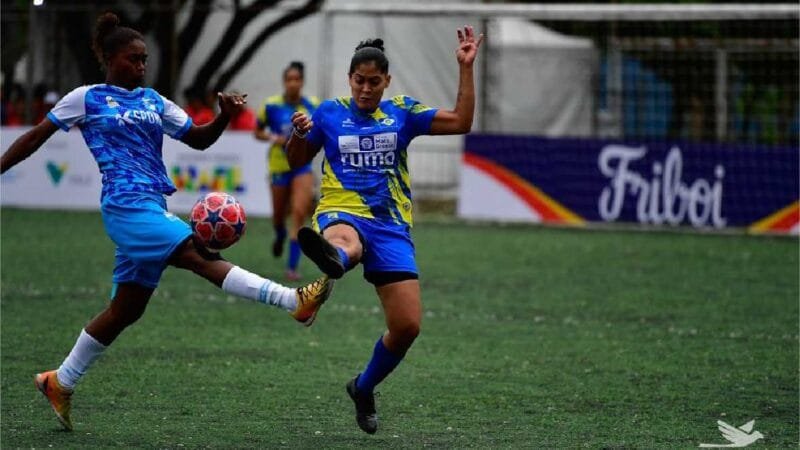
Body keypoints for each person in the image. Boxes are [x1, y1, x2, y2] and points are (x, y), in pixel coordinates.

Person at [0, 12, 334, 432]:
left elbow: (198, 138)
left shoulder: (154, 101)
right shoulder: (86, 97)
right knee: (196, 253)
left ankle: (59, 380)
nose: (142, 66)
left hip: (152, 205)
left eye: (145, 59)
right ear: (110, 58)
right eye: (134, 59)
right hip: (125, 207)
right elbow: (35, 136)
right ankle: (293, 301)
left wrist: (225, 116)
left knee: (126, 309)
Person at [286, 26, 483, 434]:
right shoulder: (329, 113)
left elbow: (462, 121)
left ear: (387, 82)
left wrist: (465, 67)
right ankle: (334, 259)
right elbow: (296, 160)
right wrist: (298, 134)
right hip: (342, 210)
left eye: (374, 82)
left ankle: (363, 386)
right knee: (346, 242)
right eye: (359, 81)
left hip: (391, 226)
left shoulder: (402, 113)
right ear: (349, 79)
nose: (366, 89)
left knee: (407, 326)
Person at [254, 61, 319, 281]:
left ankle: (292, 267)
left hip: (302, 166)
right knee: (278, 216)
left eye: (297, 79)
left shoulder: (312, 105)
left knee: (299, 212)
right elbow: (257, 131)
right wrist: (276, 138)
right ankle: (280, 234)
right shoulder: (271, 106)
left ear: (302, 82)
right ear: (284, 82)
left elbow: (318, 133)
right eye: (289, 79)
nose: (293, 83)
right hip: (279, 166)